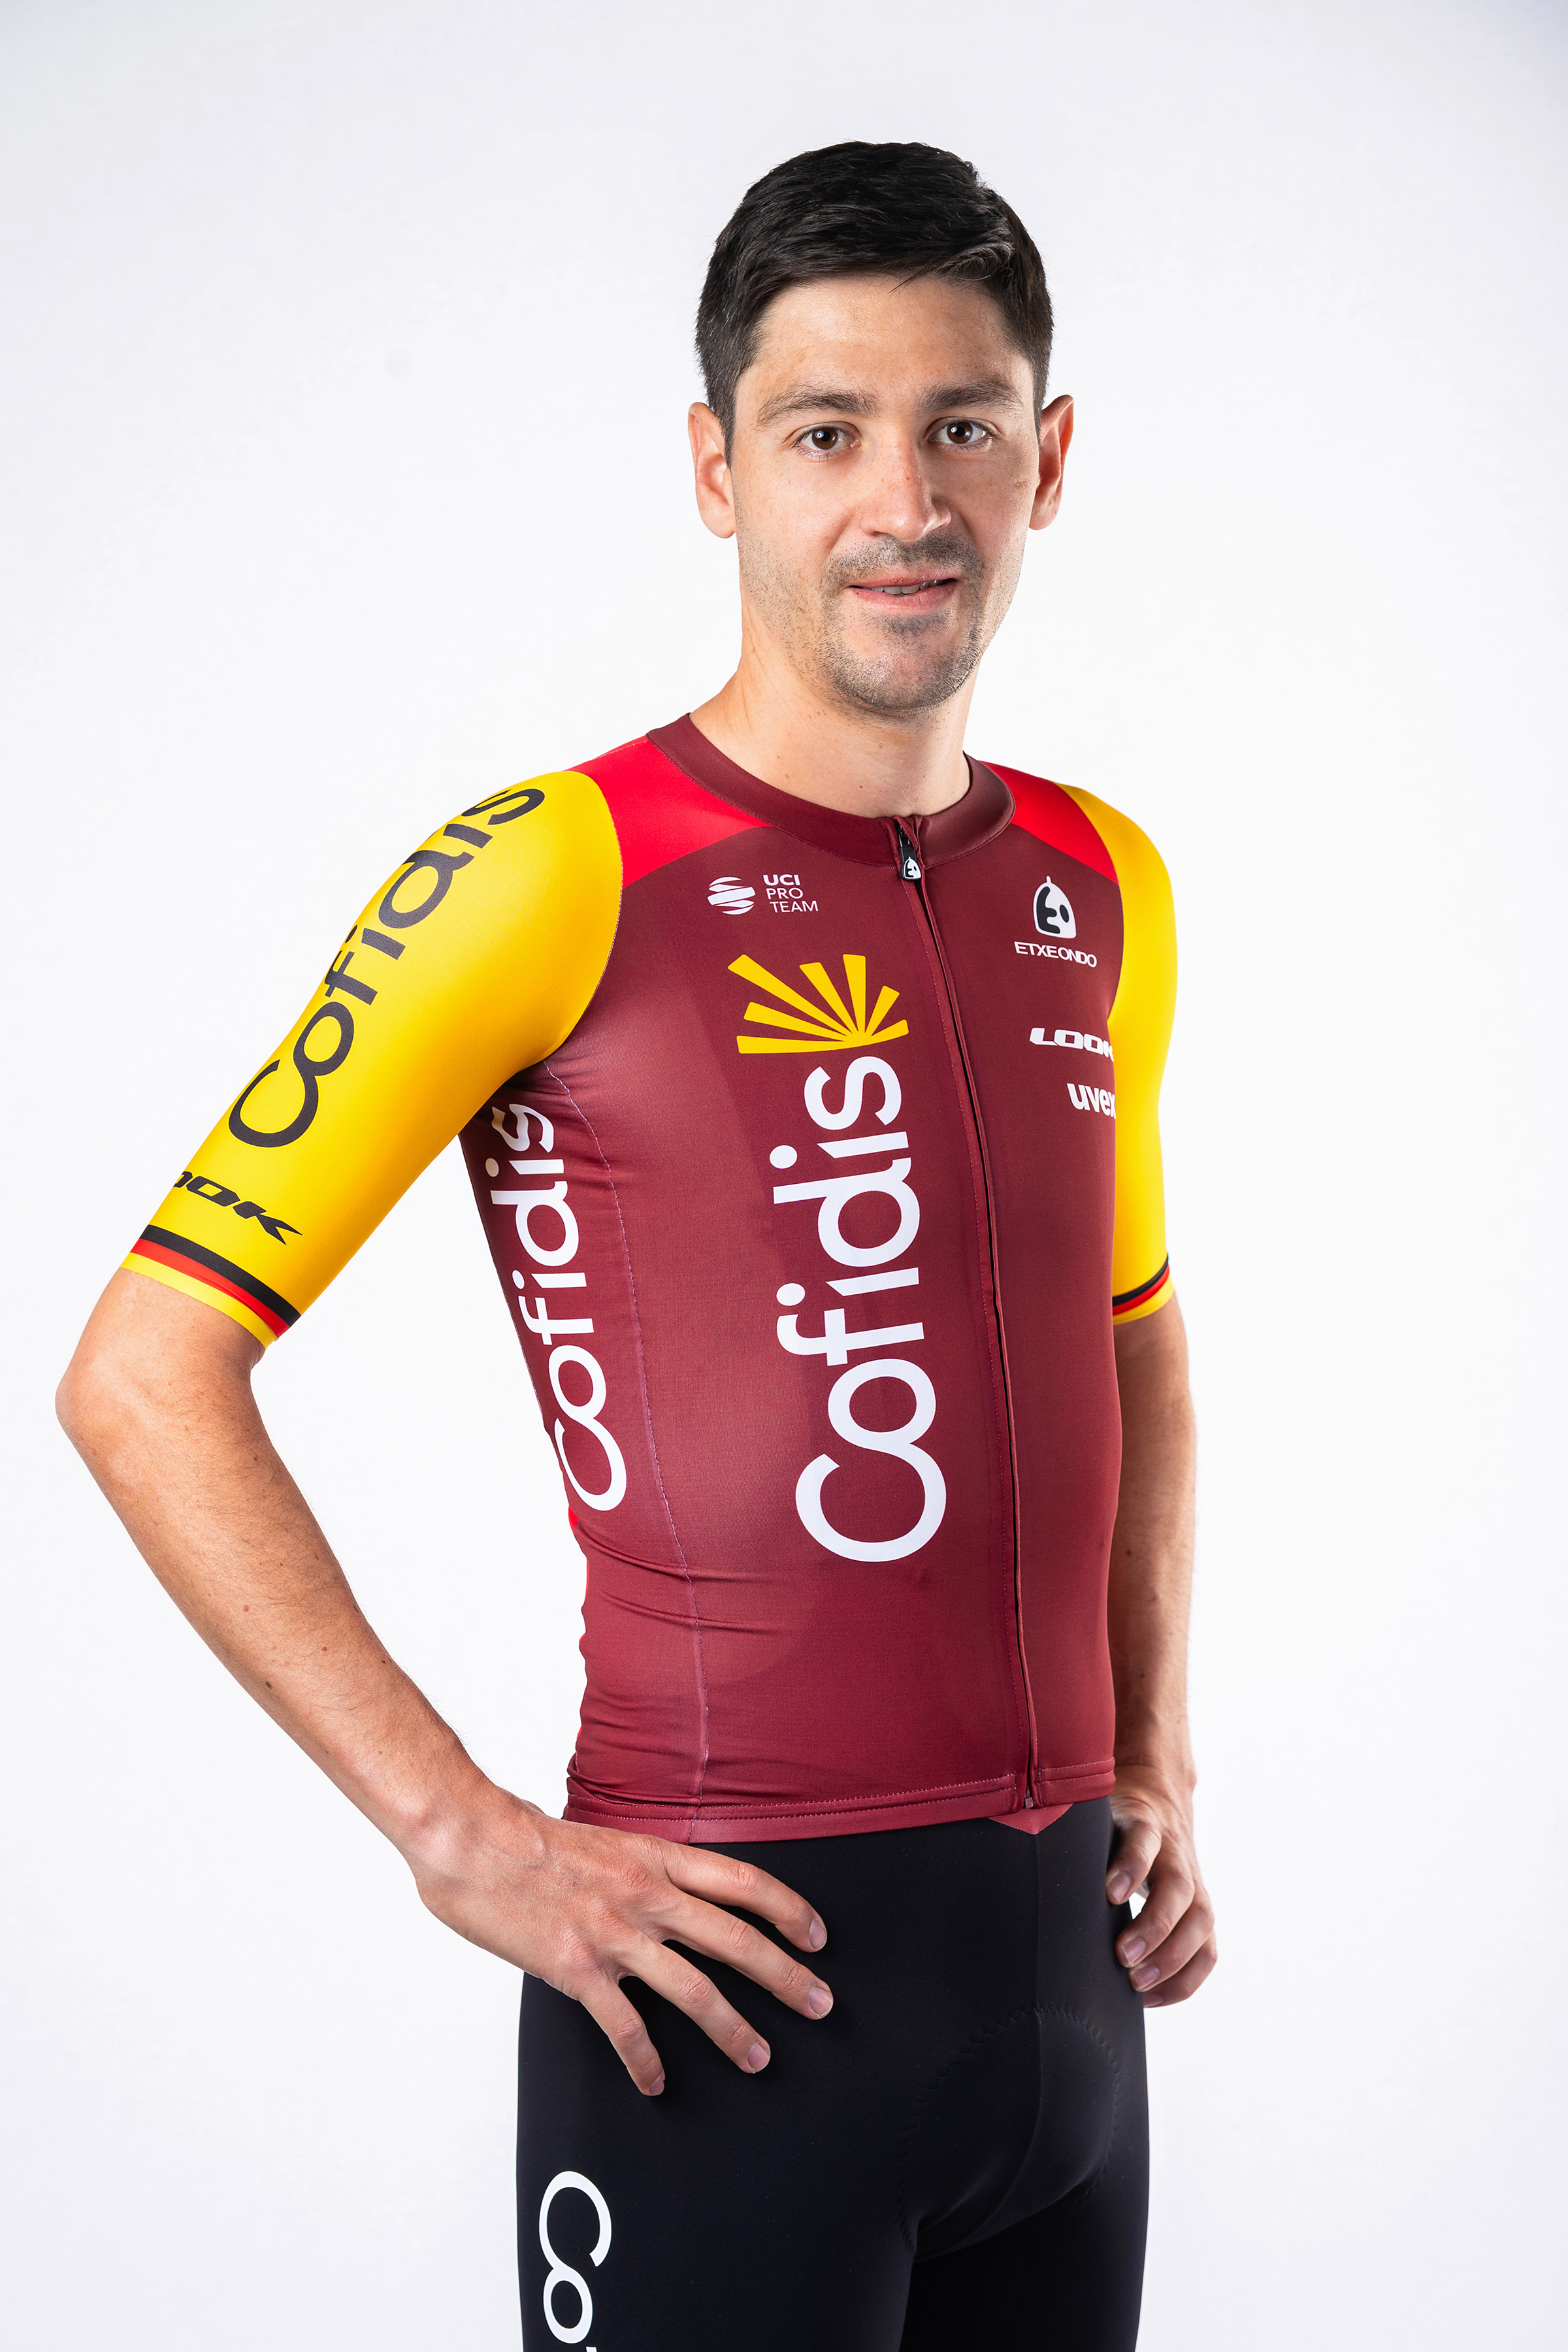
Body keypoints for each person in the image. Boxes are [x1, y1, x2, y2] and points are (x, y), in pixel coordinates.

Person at [59, 140, 1215, 2349]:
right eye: (825, 432)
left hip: (1072, 2005)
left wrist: (1153, 1750)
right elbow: (141, 1373)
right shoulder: (550, 869)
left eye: (964, 427)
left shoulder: (1103, 878)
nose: (906, 502)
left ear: (1048, 459)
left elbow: (1134, 1344)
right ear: (716, 470)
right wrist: (459, 1834)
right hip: (720, 2000)